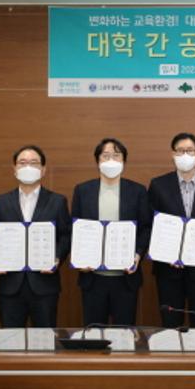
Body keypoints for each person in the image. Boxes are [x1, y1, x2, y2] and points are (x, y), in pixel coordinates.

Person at [71, 138, 152, 326]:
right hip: (92, 277)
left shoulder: (137, 191)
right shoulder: (83, 190)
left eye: (116, 156)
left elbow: (146, 228)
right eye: (105, 156)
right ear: (97, 160)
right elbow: (74, 228)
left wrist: (138, 254)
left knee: (124, 332)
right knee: (93, 332)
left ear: (124, 161)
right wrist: (79, 258)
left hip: (125, 278)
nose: (111, 161)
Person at [0, 145, 72, 328]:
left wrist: (57, 258)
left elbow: (66, 235)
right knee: (9, 339)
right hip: (10, 284)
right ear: (14, 169)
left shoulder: (57, 201)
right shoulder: (1, 202)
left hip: (44, 284)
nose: (28, 167)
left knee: (45, 339)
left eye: (34, 163)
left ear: (43, 170)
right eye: (22, 163)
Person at [149, 132, 195, 328]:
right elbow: (150, 224)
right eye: (180, 151)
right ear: (173, 154)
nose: (185, 155)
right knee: (171, 324)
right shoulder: (158, 185)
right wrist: (164, 251)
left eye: (190, 151)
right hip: (168, 269)